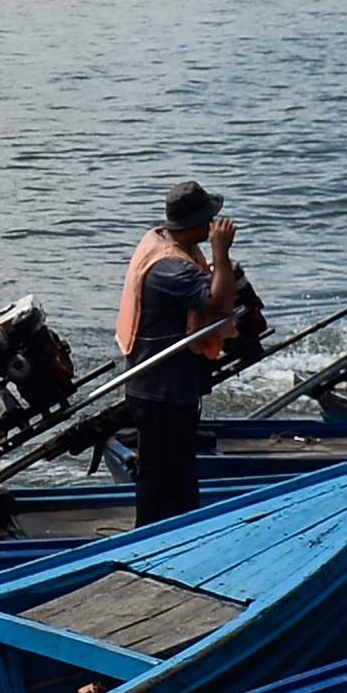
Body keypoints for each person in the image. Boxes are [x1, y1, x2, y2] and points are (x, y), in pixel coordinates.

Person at [113, 182, 241, 525]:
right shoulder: (171, 268)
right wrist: (221, 252)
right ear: (194, 224)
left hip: (170, 384)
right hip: (161, 389)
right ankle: (150, 536)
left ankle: (179, 528)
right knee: (160, 479)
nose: (214, 225)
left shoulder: (164, 242)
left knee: (180, 473)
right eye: (209, 220)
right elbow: (218, 303)